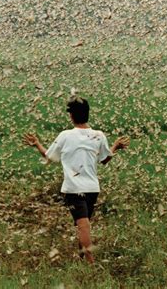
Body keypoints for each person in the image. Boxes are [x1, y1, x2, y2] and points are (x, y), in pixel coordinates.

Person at [22, 95, 130, 263]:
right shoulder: (99, 135)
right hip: (92, 189)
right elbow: (105, 160)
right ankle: (84, 261)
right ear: (87, 113)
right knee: (83, 224)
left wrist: (37, 144)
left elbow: (49, 156)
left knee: (83, 225)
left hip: (73, 189)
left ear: (71, 116)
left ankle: (89, 262)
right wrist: (115, 146)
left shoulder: (65, 135)